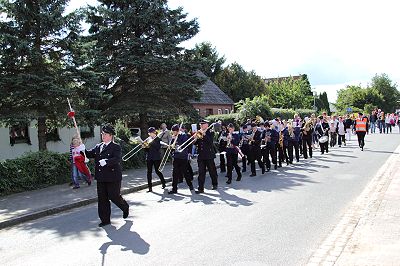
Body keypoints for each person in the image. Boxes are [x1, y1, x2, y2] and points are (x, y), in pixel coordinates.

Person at [85, 124, 129, 227]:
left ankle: (124, 207)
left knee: (114, 196)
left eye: (105, 134)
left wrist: (107, 161)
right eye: (102, 134)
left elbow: (117, 159)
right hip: (101, 177)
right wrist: (82, 149)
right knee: (102, 199)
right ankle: (105, 220)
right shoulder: (98, 146)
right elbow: (89, 154)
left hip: (113, 177)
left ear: (110, 135)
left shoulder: (116, 147)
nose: (103, 136)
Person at [194, 119, 218, 194]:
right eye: (200, 124)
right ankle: (200, 188)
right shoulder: (199, 132)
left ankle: (215, 184)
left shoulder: (211, 132)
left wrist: (204, 134)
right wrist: (194, 138)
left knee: (212, 171)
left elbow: (210, 142)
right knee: (201, 172)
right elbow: (196, 143)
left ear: (207, 125)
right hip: (201, 155)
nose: (201, 125)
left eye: (202, 124)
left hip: (209, 155)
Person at [168, 124, 193, 194]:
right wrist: (171, 144)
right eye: (172, 132)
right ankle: (174, 188)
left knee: (185, 172)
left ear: (177, 131)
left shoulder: (183, 135)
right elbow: (172, 147)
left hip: (183, 157)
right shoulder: (173, 137)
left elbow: (184, 144)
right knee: (174, 173)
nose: (173, 133)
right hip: (176, 157)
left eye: (174, 131)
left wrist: (176, 139)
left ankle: (190, 185)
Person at [144, 127, 167, 192]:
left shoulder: (158, 139)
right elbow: (146, 150)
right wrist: (144, 146)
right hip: (149, 157)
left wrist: (151, 142)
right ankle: (150, 188)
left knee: (158, 171)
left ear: (154, 133)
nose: (150, 134)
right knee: (149, 172)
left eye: (151, 133)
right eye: (149, 133)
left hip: (156, 158)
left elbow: (157, 147)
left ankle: (163, 182)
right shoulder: (148, 139)